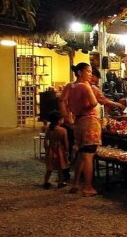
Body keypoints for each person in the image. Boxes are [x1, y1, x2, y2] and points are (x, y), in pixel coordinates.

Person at [59, 63, 100, 196]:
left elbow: (62, 101)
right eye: (88, 71)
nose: (90, 74)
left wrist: (66, 116)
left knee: (82, 153)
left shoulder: (69, 86)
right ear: (79, 72)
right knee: (88, 154)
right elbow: (94, 103)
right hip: (90, 121)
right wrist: (85, 110)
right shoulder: (85, 86)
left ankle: (76, 183)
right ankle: (88, 187)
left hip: (78, 122)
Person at [43, 110, 69, 189]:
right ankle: (60, 182)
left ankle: (46, 182)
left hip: (51, 150)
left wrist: (47, 149)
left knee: (49, 168)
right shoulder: (63, 130)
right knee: (60, 167)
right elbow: (66, 142)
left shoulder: (49, 130)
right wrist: (67, 151)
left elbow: (45, 140)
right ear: (58, 120)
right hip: (60, 150)